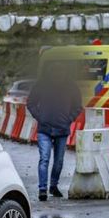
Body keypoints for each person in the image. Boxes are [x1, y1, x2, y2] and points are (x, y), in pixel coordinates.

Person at [27, 63, 83, 201]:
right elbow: (31, 103)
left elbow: (78, 106)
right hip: (44, 129)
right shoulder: (41, 84)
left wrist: (68, 119)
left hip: (62, 129)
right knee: (44, 159)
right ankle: (42, 190)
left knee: (58, 161)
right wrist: (40, 117)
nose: (58, 71)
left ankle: (53, 185)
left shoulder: (71, 86)